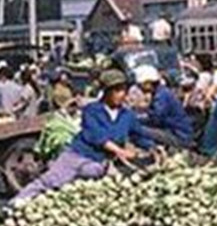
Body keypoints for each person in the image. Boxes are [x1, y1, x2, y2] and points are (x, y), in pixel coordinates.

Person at [13, 69, 152, 202]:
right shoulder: (92, 110)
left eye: (123, 90)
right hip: (77, 156)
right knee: (50, 182)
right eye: (117, 90)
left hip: (99, 163)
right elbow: (97, 136)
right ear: (106, 92)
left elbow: (138, 135)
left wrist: (152, 147)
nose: (121, 94)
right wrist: (120, 151)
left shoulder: (127, 115)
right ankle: (14, 205)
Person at [134, 65, 193, 149]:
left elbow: (156, 119)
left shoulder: (161, 96)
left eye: (140, 85)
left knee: (137, 130)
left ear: (148, 83)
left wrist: (136, 118)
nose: (139, 88)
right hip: (177, 133)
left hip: (179, 136)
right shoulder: (162, 93)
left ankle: (155, 150)